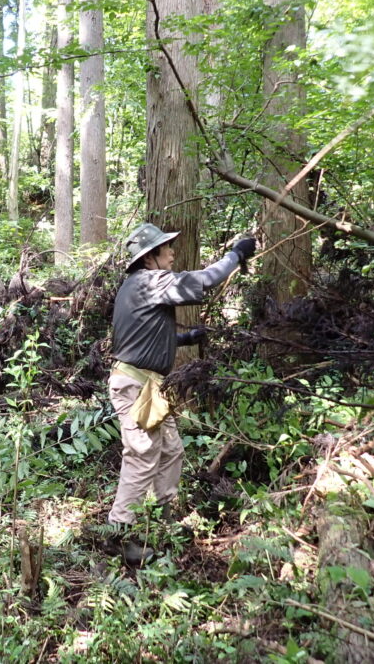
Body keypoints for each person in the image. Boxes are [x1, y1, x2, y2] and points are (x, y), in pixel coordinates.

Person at [105, 223, 256, 565]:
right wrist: (236, 254)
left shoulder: (135, 287)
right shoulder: (149, 282)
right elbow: (203, 280)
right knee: (142, 454)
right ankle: (119, 534)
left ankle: (162, 518)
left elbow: (140, 338)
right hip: (135, 386)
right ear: (149, 258)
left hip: (150, 386)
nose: (172, 253)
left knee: (171, 449)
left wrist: (184, 340)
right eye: (166, 249)